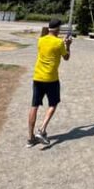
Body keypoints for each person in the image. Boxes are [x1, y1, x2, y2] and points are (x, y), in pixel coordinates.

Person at [27, 18, 72, 147]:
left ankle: (30, 138)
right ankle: (42, 130)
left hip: (38, 77)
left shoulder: (40, 40)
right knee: (53, 103)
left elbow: (48, 40)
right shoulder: (59, 43)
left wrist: (62, 42)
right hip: (51, 79)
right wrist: (67, 45)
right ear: (58, 29)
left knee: (34, 106)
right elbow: (66, 57)